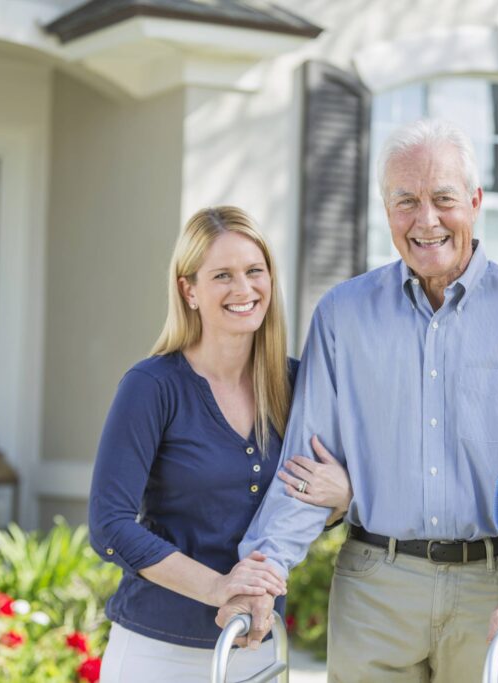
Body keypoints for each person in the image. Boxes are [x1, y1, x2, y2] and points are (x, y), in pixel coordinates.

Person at [216, 120, 498, 682]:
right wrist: (260, 577)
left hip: (494, 585)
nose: (426, 220)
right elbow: (303, 475)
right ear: (385, 209)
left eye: (443, 199)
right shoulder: (342, 316)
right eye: (406, 201)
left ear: (476, 201)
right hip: (374, 587)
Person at [88, 206, 351, 682]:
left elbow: (312, 499)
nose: (244, 289)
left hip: (257, 646)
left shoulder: (297, 385)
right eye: (222, 276)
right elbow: (109, 526)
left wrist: (341, 500)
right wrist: (220, 588)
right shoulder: (152, 386)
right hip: (156, 652)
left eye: (255, 271)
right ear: (189, 290)